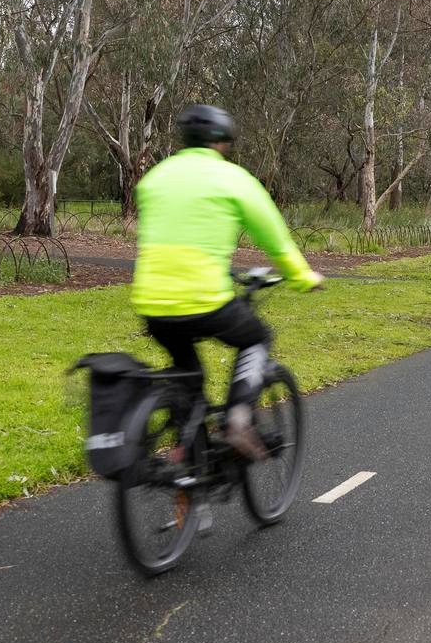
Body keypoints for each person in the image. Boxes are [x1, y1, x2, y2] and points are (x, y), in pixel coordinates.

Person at [132, 104, 323, 460]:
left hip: (151, 303)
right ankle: (238, 420)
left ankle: (187, 454)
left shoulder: (155, 177)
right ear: (221, 142)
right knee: (257, 338)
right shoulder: (234, 179)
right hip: (205, 299)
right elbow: (275, 240)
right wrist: (302, 276)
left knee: (189, 373)